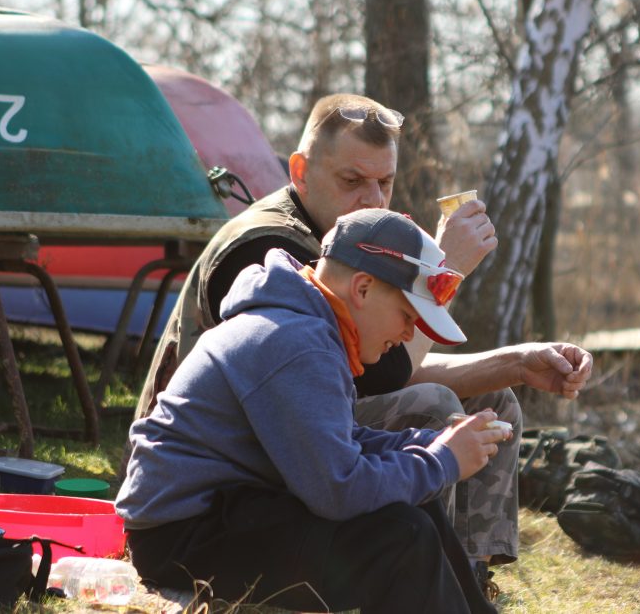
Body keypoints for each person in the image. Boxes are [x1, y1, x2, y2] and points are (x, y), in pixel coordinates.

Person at [132, 92, 593, 592]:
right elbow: (379, 378)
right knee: (434, 413)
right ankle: (427, 580)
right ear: (300, 172)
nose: (372, 200)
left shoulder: (345, 247)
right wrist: (443, 272)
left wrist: (516, 364)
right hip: (214, 485)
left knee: (491, 403)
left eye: (385, 182)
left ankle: (466, 578)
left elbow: (368, 368)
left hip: (269, 456)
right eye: (352, 181)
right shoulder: (266, 245)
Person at [118, 209, 507, 613]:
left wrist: (431, 443)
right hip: (181, 536)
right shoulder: (297, 342)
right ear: (363, 288)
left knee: (414, 504)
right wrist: (443, 460)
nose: (409, 333)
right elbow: (338, 490)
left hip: (227, 508)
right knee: (401, 538)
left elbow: (341, 442)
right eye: (407, 316)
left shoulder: (308, 325)